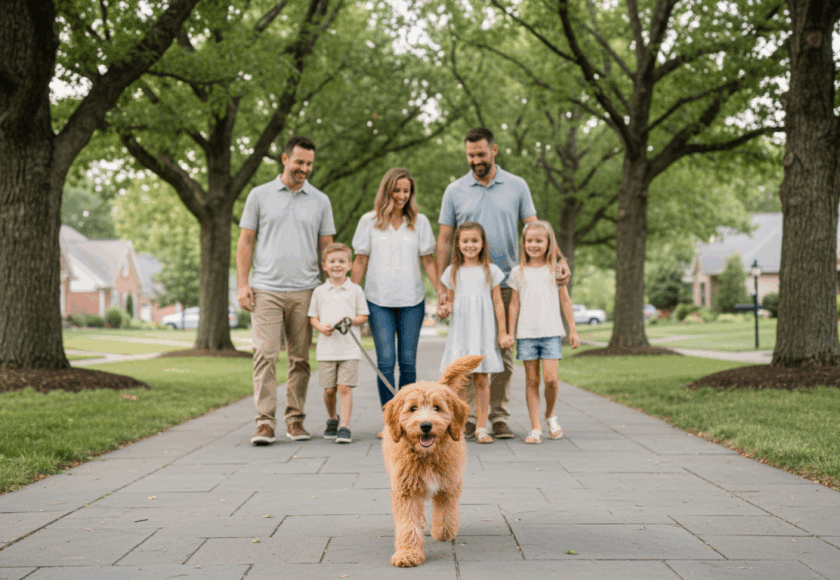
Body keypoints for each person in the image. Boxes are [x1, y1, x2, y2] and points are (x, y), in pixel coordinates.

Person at [436, 127, 571, 440]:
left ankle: (498, 416)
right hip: (467, 283)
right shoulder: (454, 190)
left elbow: (535, 227)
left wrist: (559, 260)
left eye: (481, 154)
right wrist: (443, 286)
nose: (475, 161)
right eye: (470, 155)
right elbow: (444, 238)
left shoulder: (516, 186)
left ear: (494, 150)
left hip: (509, 279)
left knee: (503, 349)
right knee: (467, 350)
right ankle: (470, 418)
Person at [237, 136, 335, 445]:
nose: (304, 168)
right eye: (299, 162)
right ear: (284, 159)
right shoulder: (259, 196)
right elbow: (245, 241)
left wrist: (330, 293)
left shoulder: (320, 201)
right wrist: (242, 283)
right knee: (265, 354)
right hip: (265, 288)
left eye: (309, 164)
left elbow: (327, 248)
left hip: (306, 289)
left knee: (300, 359)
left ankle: (295, 420)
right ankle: (265, 422)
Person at [351, 167, 442, 437]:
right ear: (387, 190)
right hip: (378, 300)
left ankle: (409, 422)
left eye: (406, 191)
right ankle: (391, 423)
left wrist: (441, 291)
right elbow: (360, 261)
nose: (402, 196)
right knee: (386, 362)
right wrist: (352, 296)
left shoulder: (419, 222)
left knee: (408, 361)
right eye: (397, 190)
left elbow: (428, 260)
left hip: (411, 300)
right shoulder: (369, 221)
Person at [437, 222, 514, 444]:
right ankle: (460, 424)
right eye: (465, 241)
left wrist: (503, 332)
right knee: (460, 381)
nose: (470, 245)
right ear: (458, 244)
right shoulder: (452, 272)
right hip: (461, 333)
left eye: (474, 241)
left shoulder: (491, 271)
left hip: (483, 332)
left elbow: (499, 304)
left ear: (482, 243)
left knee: (482, 379)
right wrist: (443, 310)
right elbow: (450, 303)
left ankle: (481, 427)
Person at [507, 221, 580, 444]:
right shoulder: (517, 272)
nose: (534, 245)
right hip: (526, 334)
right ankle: (535, 427)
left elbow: (565, 300)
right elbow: (513, 305)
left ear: (549, 243)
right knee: (531, 381)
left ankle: (549, 415)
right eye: (529, 241)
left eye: (539, 241)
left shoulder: (555, 270)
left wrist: (573, 330)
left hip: (551, 333)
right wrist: (510, 333)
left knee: (551, 380)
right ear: (523, 243)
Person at [308, 243, 369, 444]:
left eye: (341, 261)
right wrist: (320, 328)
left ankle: (345, 426)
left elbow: (363, 316)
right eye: (332, 261)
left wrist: (350, 320)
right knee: (329, 390)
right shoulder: (319, 292)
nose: (337, 265)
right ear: (324, 265)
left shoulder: (355, 290)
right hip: (326, 350)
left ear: (349, 265)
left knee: (344, 387)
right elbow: (313, 317)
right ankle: (333, 418)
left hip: (349, 350)